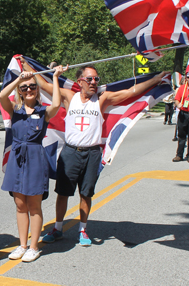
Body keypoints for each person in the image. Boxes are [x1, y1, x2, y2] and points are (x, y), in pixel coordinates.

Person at [30, 59, 169, 246]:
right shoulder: (69, 97)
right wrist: (24, 65)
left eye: (97, 79)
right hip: (70, 152)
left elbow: (130, 92)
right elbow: (45, 85)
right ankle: (58, 228)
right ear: (80, 82)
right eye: (90, 79)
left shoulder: (102, 99)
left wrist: (156, 80)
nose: (94, 82)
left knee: (86, 194)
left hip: (92, 153)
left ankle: (83, 230)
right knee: (63, 193)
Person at [0, 65, 66, 262]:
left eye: (32, 87)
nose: (28, 90)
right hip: (17, 159)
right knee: (20, 204)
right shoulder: (15, 110)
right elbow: (3, 96)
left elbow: (57, 103)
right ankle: (22, 245)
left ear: (37, 90)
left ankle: (34, 247)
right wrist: (18, 80)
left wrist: (54, 77)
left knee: (34, 205)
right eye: (25, 88)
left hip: (36, 158)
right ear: (19, 91)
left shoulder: (43, 112)